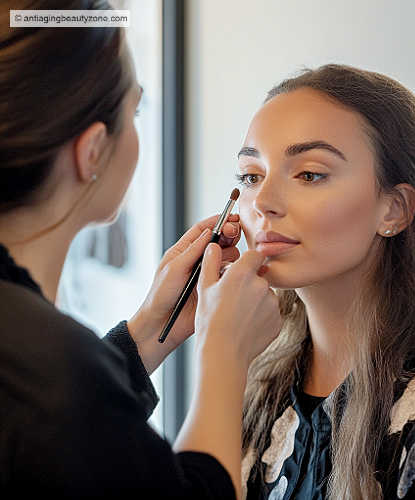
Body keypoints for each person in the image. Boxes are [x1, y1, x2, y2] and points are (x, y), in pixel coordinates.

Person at [0, 1, 282, 498]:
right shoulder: (52, 372)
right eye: (135, 110)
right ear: (91, 151)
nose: (269, 203)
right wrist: (224, 356)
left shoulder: (40, 366)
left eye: (310, 175)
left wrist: (146, 335)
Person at [236, 64, 415, 499]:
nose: (262, 202)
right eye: (250, 176)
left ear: (394, 209)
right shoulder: (259, 395)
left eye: (309, 174)